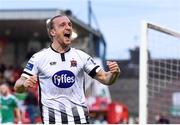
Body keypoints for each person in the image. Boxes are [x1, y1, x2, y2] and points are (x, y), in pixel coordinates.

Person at [14, 14, 120, 124]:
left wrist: (114, 73)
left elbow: (106, 79)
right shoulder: (38, 58)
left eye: (69, 24)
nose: (68, 27)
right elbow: (18, 86)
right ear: (52, 32)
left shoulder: (81, 56)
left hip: (80, 120)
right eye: (62, 25)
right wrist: (24, 84)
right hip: (52, 121)